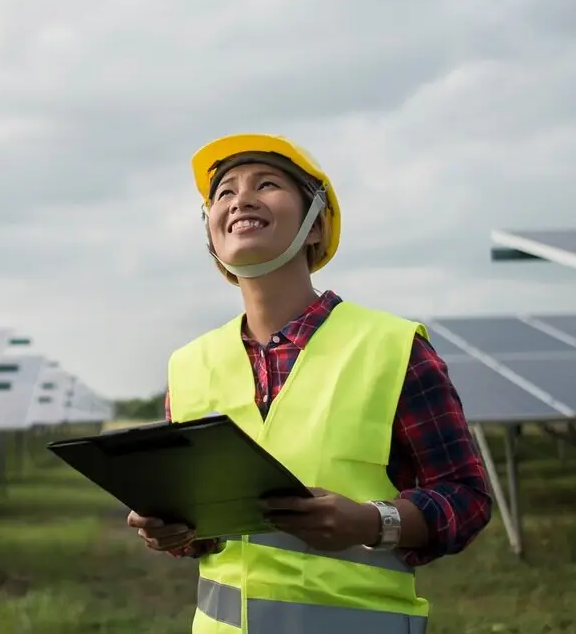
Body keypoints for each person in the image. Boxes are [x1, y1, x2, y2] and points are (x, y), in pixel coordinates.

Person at [126, 133, 493, 633]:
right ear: (211, 231)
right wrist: (172, 531)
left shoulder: (392, 347)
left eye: (267, 184)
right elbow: (205, 537)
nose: (241, 199)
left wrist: (370, 522)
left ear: (315, 226)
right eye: (224, 193)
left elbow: (466, 498)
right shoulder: (188, 365)